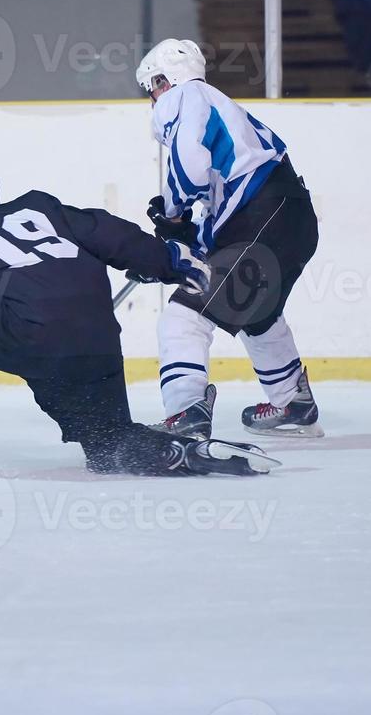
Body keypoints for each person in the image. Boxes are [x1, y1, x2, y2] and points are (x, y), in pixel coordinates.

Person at [0, 162, 279, 477]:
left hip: (32, 335)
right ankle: (185, 452)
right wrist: (169, 260)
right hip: (97, 340)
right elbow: (112, 235)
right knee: (109, 448)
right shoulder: (41, 208)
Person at [134, 38, 324, 439]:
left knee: (183, 317)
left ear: (163, 80)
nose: (152, 100)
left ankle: (185, 415)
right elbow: (225, 205)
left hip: (264, 219)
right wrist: (188, 238)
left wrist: (172, 214)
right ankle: (293, 402)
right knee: (257, 314)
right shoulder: (223, 106)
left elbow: (190, 170)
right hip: (289, 219)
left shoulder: (182, 97)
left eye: (151, 88)